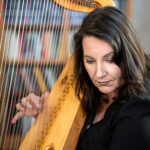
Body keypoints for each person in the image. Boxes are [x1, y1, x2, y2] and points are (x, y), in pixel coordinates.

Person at [12, 6, 150, 150]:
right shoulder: (90, 91)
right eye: (90, 61)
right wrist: (44, 116)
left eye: (109, 59)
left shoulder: (137, 111)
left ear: (127, 55)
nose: (98, 74)